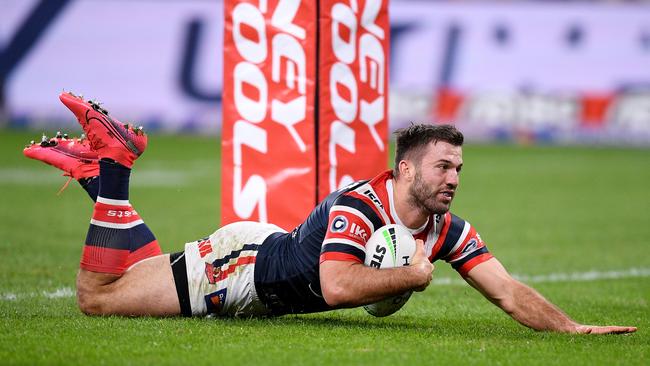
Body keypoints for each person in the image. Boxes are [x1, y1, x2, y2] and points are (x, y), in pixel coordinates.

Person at [23, 92, 636, 334]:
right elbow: (338, 285)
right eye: (442, 168)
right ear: (405, 171)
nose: (453, 180)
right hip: (239, 271)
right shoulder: (359, 205)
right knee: (97, 298)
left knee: (131, 276)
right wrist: (412, 277)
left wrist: (571, 329)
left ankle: (98, 178)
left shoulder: (445, 228)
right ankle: (114, 171)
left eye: (458, 170)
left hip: (264, 253)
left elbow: (505, 291)